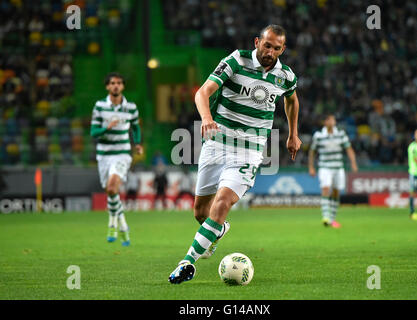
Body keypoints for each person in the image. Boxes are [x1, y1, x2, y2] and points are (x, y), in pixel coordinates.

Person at [168, 25, 302, 284]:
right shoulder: (235, 60)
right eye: (267, 45)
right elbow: (203, 92)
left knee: (222, 203)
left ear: (283, 49)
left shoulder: (285, 75)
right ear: (257, 42)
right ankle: (220, 230)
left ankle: (187, 263)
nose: (270, 51)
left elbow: (292, 99)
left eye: (276, 48)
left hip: (249, 151)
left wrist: (293, 133)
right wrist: (207, 118)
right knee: (200, 213)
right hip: (216, 144)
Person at [90, 72, 143, 246]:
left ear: (123, 86)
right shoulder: (99, 106)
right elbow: (93, 132)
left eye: (119, 83)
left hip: (122, 154)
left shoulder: (131, 107)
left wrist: (138, 143)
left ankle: (112, 223)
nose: (116, 86)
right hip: (104, 155)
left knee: (113, 187)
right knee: (111, 192)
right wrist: (107, 127)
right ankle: (123, 225)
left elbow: (135, 127)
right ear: (107, 86)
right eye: (112, 83)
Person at [308, 114, 358, 228]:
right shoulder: (319, 135)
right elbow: (312, 151)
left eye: (333, 120)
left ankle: (332, 219)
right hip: (325, 167)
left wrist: (353, 163)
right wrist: (311, 167)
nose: (332, 121)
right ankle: (325, 217)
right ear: (325, 122)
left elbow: (349, 149)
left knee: (336, 192)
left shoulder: (340, 134)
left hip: (338, 167)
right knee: (325, 189)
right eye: (329, 119)